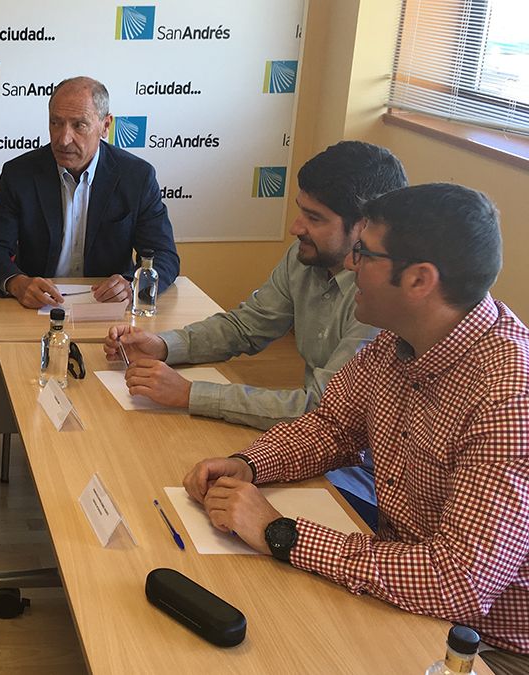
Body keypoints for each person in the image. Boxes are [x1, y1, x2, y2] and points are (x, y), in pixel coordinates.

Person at [183, 183, 528, 673]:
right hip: (399, 584)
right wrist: (248, 463)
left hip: (490, 646)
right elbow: (332, 427)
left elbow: (458, 584)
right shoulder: (397, 340)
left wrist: (279, 532)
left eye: (365, 253)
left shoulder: (508, 396)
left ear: (419, 280)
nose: (349, 264)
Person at [104, 141, 407, 524]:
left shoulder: (381, 299)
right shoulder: (307, 258)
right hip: (311, 450)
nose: (296, 227)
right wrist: (165, 345)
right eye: (301, 212)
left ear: (364, 226)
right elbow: (246, 326)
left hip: (361, 484)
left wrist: (191, 393)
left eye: (314, 218)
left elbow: (321, 412)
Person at [0, 75, 179, 309]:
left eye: (79, 125)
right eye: (56, 123)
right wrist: (18, 283)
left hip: (109, 309)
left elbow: (164, 257)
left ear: (105, 126)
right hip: (36, 308)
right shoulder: (19, 174)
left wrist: (131, 287)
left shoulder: (137, 177)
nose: (64, 139)